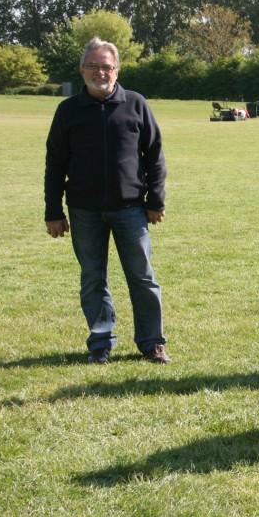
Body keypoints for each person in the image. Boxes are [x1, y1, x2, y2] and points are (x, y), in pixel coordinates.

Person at [44, 37, 170, 364]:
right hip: (84, 210)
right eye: (93, 66)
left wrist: (155, 200)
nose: (100, 72)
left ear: (117, 70)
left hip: (131, 209)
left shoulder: (136, 104)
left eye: (106, 66)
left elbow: (155, 156)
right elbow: (55, 163)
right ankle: (101, 341)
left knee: (142, 277)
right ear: (82, 69)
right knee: (92, 277)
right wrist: (53, 211)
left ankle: (152, 342)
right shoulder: (68, 111)